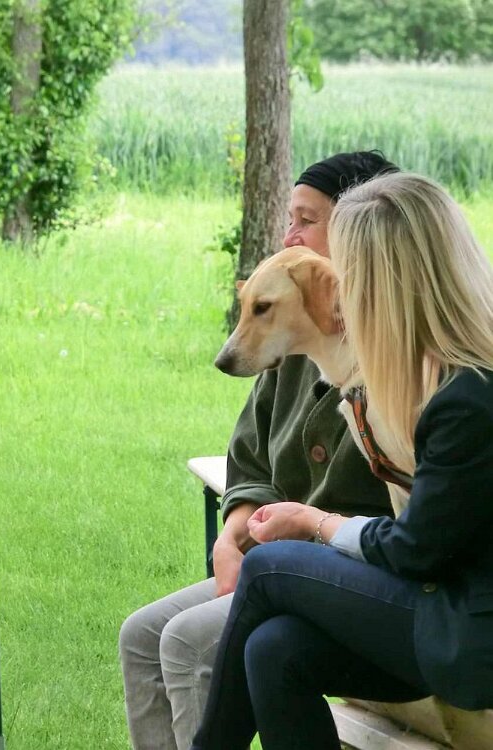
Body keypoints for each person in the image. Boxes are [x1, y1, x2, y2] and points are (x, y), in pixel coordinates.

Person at [190, 171, 493, 750]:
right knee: (273, 649)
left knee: (268, 566)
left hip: (470, 635)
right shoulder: (439, 373)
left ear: (390, 282)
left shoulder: (469, 395)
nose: (339, 294)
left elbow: (416, 550)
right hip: (441, 612)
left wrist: (315, 523)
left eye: (347, 276)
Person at [118, 152, 398, 750]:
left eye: (307, 220)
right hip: (278, 560)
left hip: (350, 573)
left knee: (187, 643)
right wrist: (232, 538)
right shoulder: (289, 345)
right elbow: (249, 460)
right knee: (140, 636)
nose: (290, 237)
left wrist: (302, 536)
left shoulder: (398, 358)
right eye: (289, 220)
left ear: (362, 229)